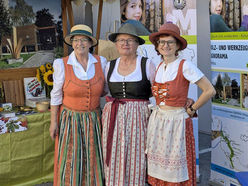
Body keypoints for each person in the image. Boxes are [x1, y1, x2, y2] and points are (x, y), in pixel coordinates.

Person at [146, 23, 216, 185]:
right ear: (157, 46)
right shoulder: (159, 66)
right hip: (159, 122)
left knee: (176, 167)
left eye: (170, 42)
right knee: (160, 165)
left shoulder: (185, 65)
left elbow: (209, 90)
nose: (166, 46)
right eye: (162, 42)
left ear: (177, 45)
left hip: (177, 122)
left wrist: (192, 109)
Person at [49, 24, 107, 186]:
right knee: (71, 158)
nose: (79, 43)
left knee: (93, 156)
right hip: (70, 119)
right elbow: (56, 95)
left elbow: (106, 90)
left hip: (94, 118)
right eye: (75, 40)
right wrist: (54, 122)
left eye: (83, 40)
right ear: (71, 43)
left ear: (90, 43)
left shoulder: (101, 62)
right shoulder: (61, 64)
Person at [101, 23, 155, 186]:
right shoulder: (109, 66)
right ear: (116, 44)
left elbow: (158, 92)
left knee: (136, 156)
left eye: (130, 40)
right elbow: (103, 91)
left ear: (137, 44)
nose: (125, 43)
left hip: (139, 117)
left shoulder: (147, 64)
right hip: (113, 117)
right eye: (121, 40)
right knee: (114, 154)